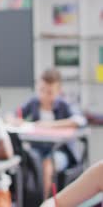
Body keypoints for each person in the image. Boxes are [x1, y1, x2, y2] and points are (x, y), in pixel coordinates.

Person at [17, 68, 87, 199]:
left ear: (58, 91)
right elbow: (15, 114)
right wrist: (16, 120)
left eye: (50, 92)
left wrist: (50, 125)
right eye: (42, 90)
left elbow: (79, 120)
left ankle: (44, 201)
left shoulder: (64, 104)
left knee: (47, 164)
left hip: (60, 152)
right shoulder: (33, 103)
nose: (44, 95)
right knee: (24, 161)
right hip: (37, 150)